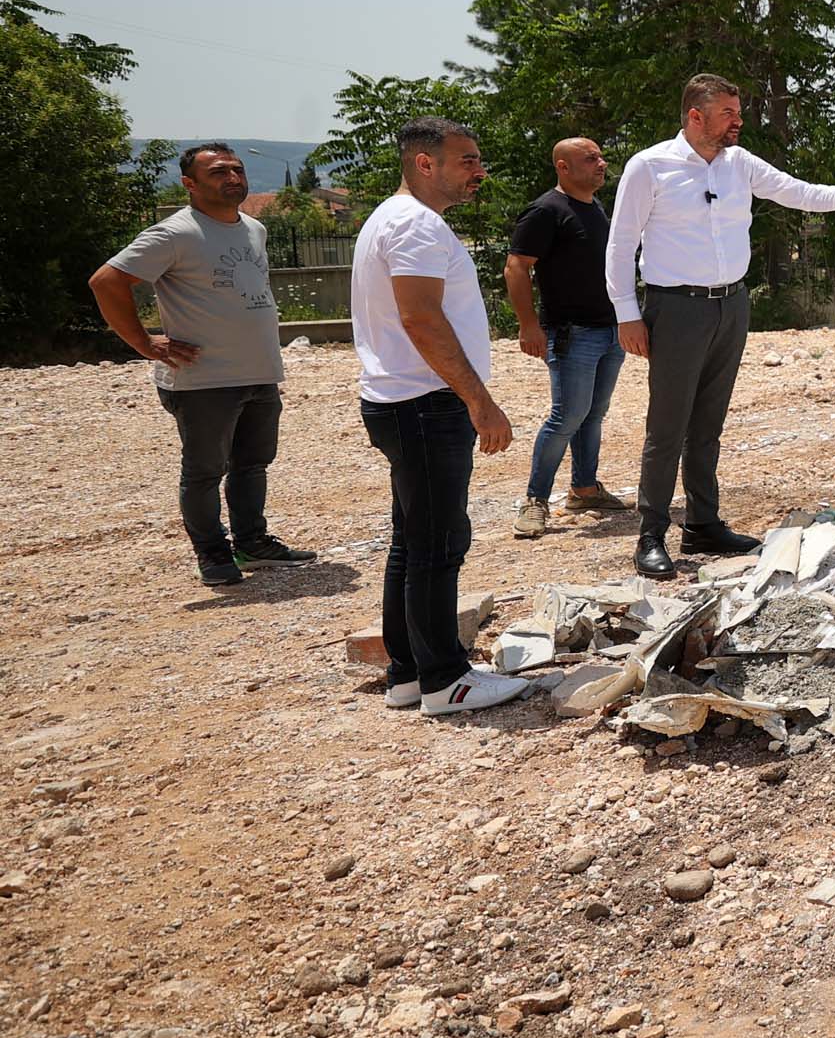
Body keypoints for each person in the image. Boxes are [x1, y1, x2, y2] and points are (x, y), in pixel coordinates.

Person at [607, 73, 835, 580]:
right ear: (696, 116)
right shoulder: (650, 166)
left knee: (708, 424)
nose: (738, 122)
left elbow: (797, 192)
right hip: (676, 309)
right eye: (728, 114)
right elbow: (620, 243)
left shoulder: (739, 163)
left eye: (738, 113)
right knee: (667, 427)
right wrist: (626, 313)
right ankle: (651, 535)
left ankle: (702, 525)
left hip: (731, 306)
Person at [350, 116, 529, 716]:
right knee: (439, 543)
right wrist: (479, 400)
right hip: (426, 403)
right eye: (467, 160)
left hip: (404, 401)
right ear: (424, 163)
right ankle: (445, 681)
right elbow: (422, 318)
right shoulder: (415, 224)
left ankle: (408, 673)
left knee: (413, 540)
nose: (480, 171)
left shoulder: (394, 217)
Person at [89, 142, 317, 586]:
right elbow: (106, 281)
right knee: (205, 472)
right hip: (203, 380)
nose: (232, 178)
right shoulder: (174, 234)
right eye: (218, 172)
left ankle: (252, 543)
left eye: (237, 170)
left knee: (253, 464)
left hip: (258, 371)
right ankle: (212, 554)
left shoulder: (254, 228)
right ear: (189, 183)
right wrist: (143, 342)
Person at [504, 137, 629, 537]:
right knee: (567, 416)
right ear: (563, 166)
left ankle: (585, 489)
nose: (601, 163)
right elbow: (516, 267)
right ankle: (535, 501)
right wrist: (528, 325)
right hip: (572, 333)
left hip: (610, 331)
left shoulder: (595, 208)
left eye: (600, 157)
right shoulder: (546, 210)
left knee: (593, 413)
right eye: (590, 158)